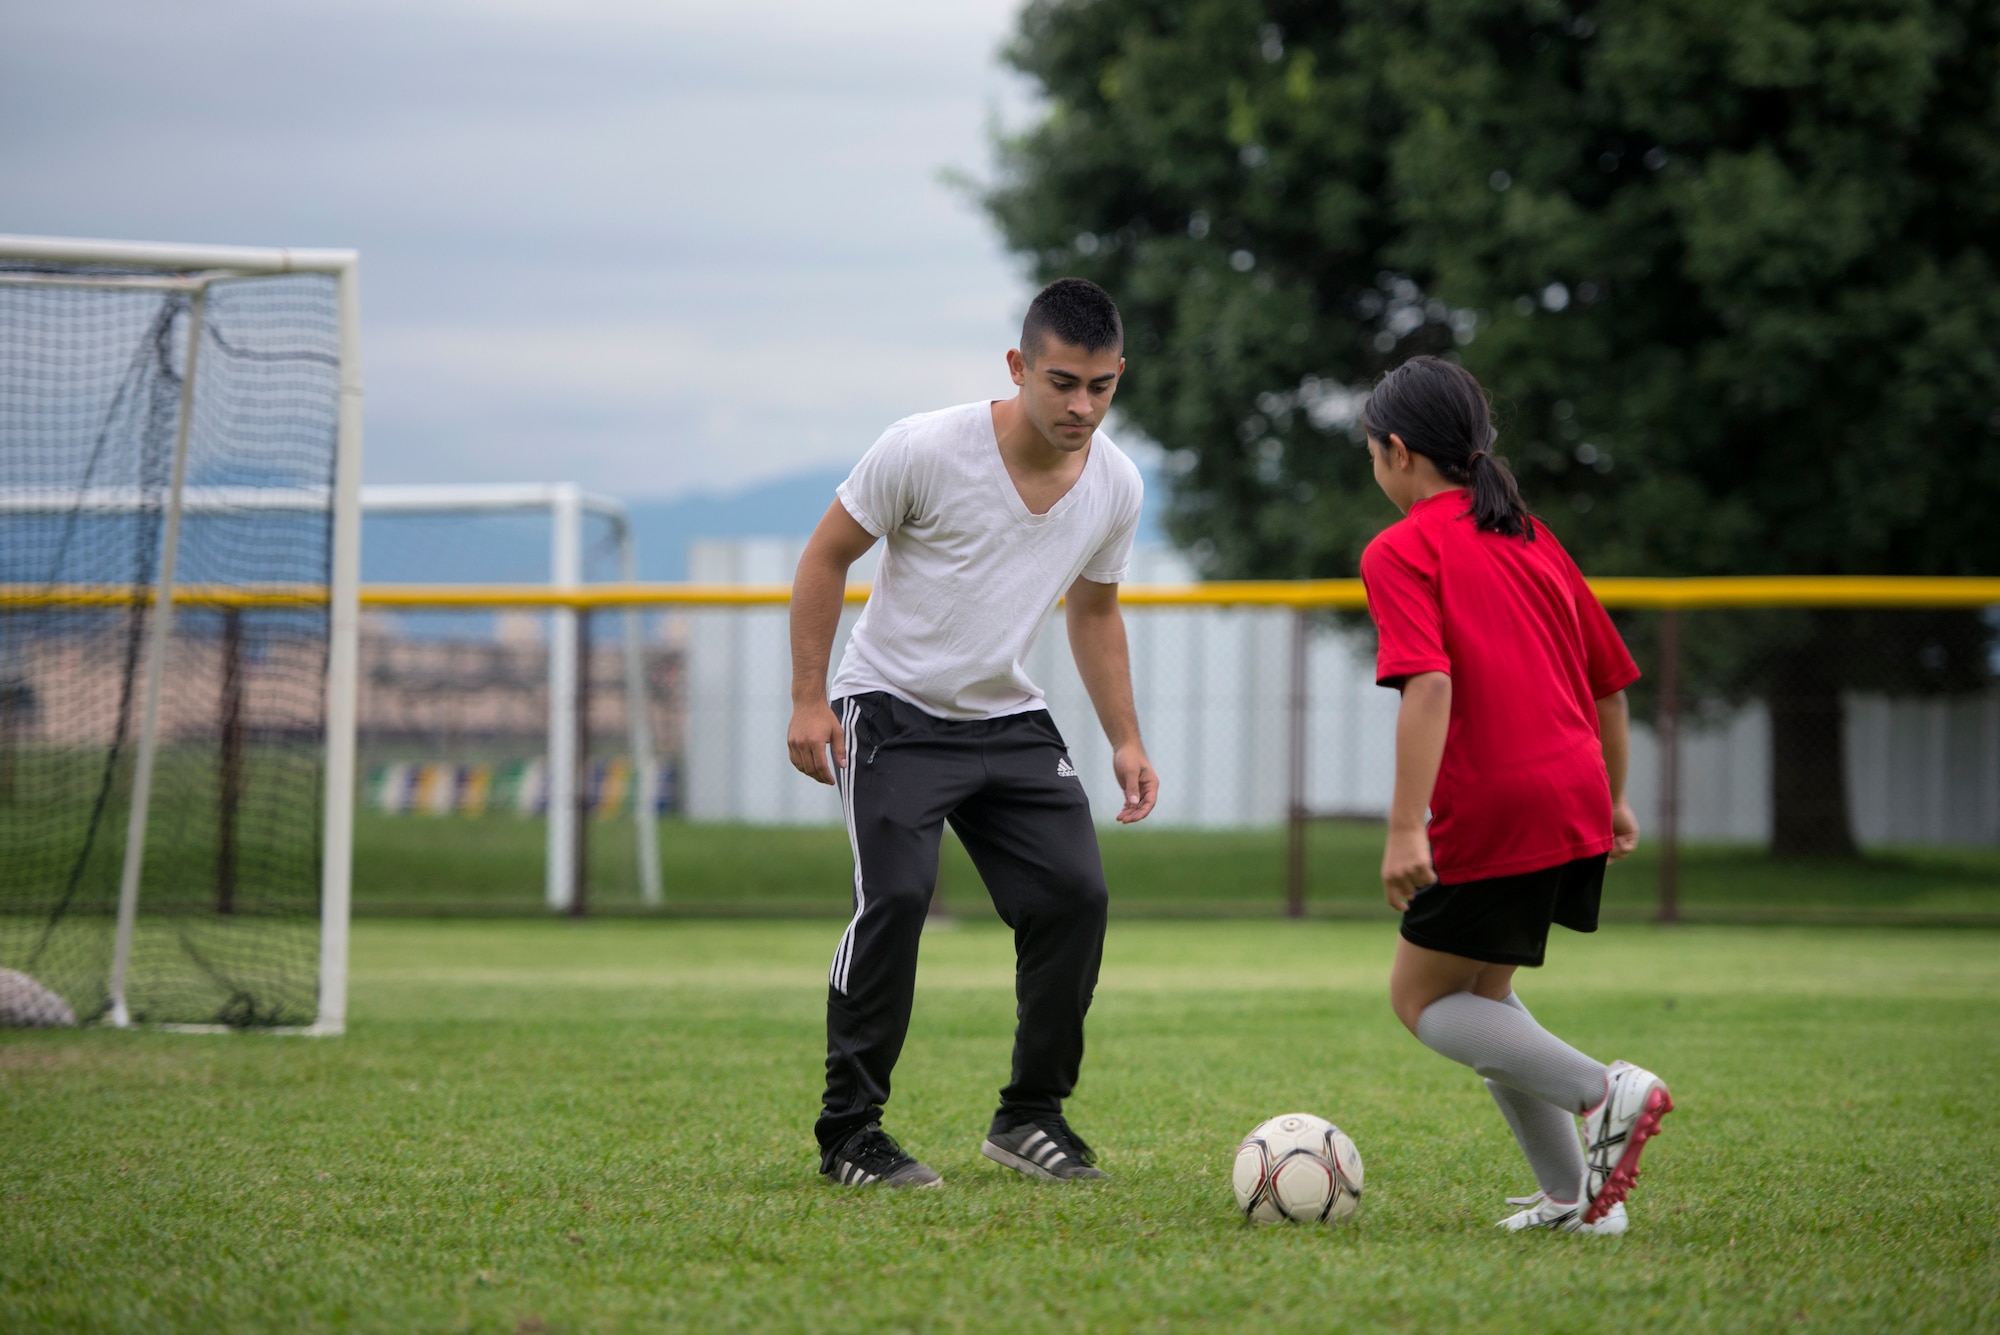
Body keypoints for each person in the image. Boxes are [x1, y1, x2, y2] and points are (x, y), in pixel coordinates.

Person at [786, 277, 1160, 1189]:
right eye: (1063, 382)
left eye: (1102, 386)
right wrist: (808, 698)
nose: (1082, 406)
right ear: (1017, 367)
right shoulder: (922, 448)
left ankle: (1030, 1116)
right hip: (893, 710)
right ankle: (851, 1134)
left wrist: (1126, 737)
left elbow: (1097, 612)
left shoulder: (1115, 481)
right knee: (899, 899)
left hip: (1008, 715)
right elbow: (826, 555)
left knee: (1076, 895)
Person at [1358, 355, 1673, 1233]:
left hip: (1496, 804)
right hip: (1572, 794)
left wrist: (1402, 826)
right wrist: (1613, 796)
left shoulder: (1400, 547)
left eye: (1370, 454)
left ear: (1395, 450)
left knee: (1421, 1001)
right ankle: (1577, 1201)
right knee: (1484, 1003)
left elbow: (1428, 685)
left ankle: (1605, 1092)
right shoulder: (1531, 535)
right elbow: (1610, 682)